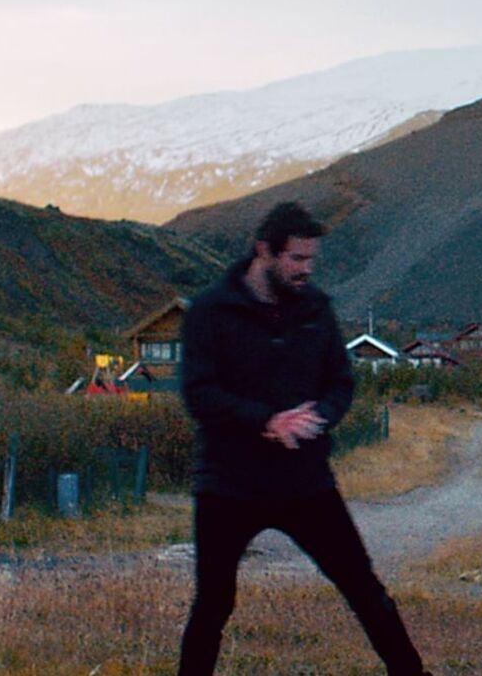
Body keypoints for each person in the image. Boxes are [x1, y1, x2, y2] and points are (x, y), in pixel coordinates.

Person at [176, 201, 429, 676]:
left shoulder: (316, 308)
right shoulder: (210, 311)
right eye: (296, 259)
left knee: (364, 589)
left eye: (312, 260)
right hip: (228, 484)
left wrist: (321, 415)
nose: (306, 270)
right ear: (264, 251)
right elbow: (199, 394)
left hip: (305, 483)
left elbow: (341, 381)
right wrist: (267, 422)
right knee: (213, 604)